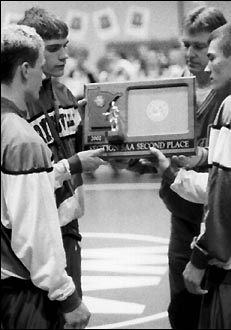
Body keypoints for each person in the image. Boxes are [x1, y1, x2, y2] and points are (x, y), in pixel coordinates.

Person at [134, 7, 228, 329]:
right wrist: (134, 155)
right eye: (186, 44)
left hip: (225, 218)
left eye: (200, 46)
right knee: (183, 311)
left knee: (222, 310)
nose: (190, 53)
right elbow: (150, 150)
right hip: (183, 216)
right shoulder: (171, 92)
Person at [1, 24, 91, 329]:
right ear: (25, 70)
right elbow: (34, 230)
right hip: (21, 291)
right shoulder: (23, 139)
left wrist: (67, 167)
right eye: (42, 66)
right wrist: (66, 295)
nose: (45, 76)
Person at [18, 7, 106, 300]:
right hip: (33, 232)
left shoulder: (66, 94)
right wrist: (73, 163)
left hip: (68, 224)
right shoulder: (16, 106)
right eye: (54, 49)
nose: (64, 55)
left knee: (73, 309)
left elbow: (84, 148)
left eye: (65, 46)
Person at [182, 21, 231, 329]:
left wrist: (200, 258)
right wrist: (208, 157)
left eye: (211, 57)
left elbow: (230, 196)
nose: (206, 67)